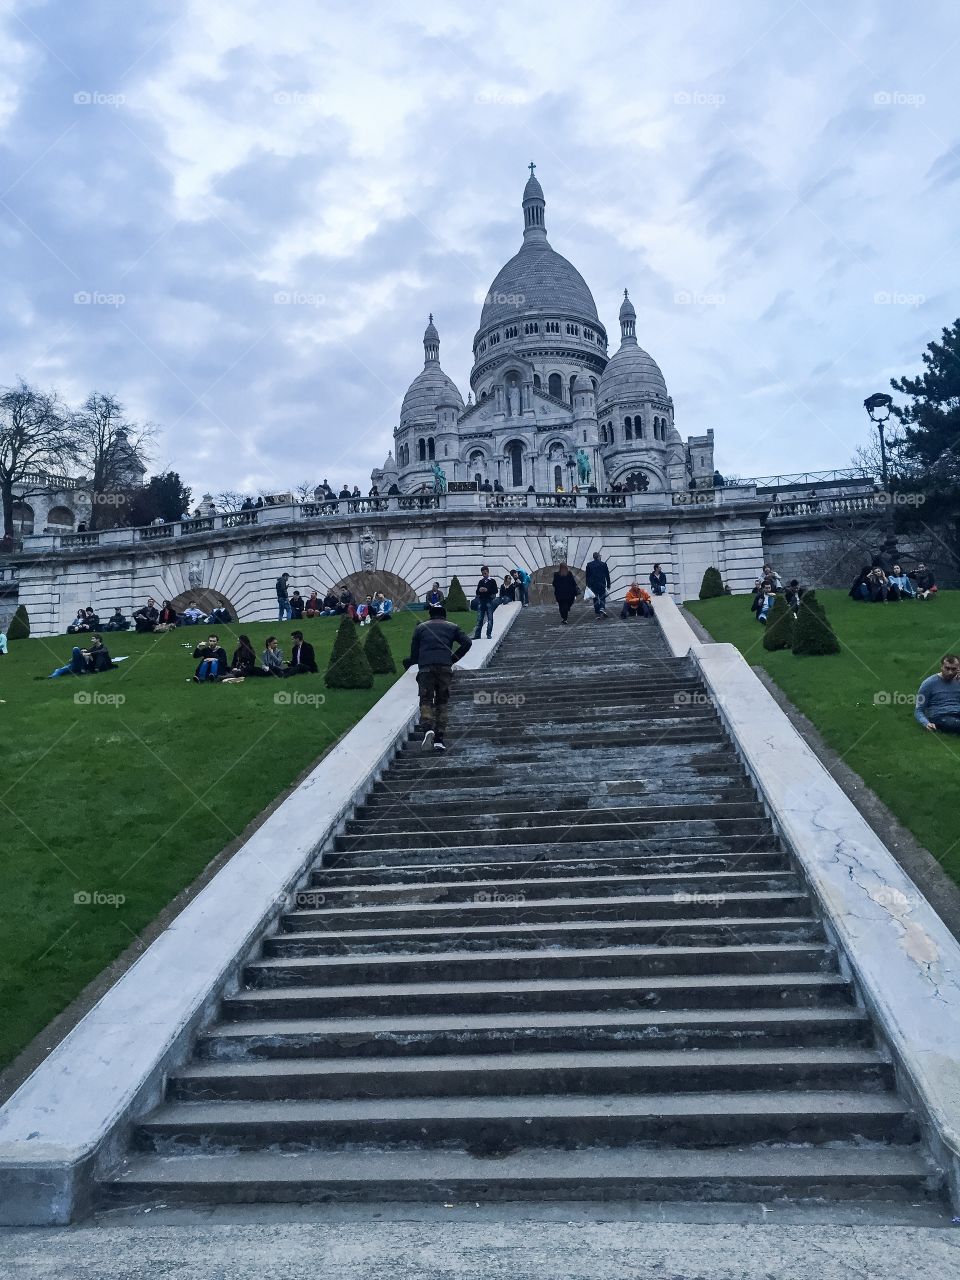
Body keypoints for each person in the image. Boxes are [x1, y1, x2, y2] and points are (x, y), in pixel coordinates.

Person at [405, 604, 472, 753]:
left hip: (425, 668)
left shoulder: (421, 628)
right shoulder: (452, 627)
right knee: (442, 701)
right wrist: (453, 658)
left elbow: (414, 652)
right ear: (444, 615)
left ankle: (428, 728)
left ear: (430, 614)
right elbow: (467, 642)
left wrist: (416, 662)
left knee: (426, 699)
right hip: (444, 667)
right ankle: (439, 739)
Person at [915, 654, 960, 733]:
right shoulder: (929, 683)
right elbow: (919, 710)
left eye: (954, 669)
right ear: (941, 666)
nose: (950, 672)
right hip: (940, 716)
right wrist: (926, 723)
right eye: (947, 668)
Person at [473, 565, 499, 639]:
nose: (484, 575)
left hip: (489, 601)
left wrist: (487, 590)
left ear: (488, 572)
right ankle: (477, 635)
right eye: (483, 573)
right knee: (479, 619)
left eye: (485, 573)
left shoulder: (492, 581)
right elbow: (477, 592)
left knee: (490, 619)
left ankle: (488, 634)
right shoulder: (481, 581)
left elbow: (495, 591)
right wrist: (479, 590)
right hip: (481, 601)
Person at [585, 550, 611, 618]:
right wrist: (608, 584)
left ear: (593, 557)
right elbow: (607, 575)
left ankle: (597, 612)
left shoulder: (589, 565)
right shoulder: (603, 564)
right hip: (602, 583)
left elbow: (587, 576)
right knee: (602, 596)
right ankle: (602, 608)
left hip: (593, 584)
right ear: (599, 557)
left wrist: (587, 585)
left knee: (595, 598)